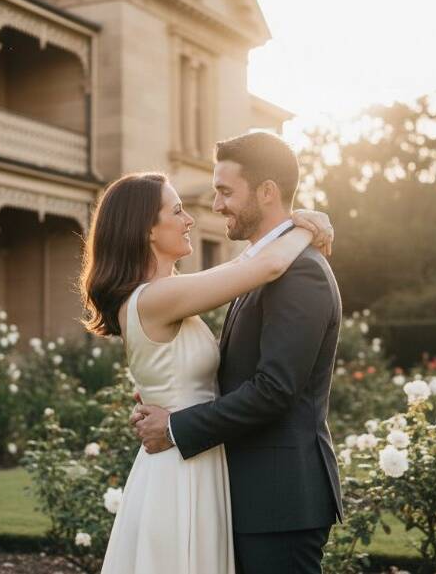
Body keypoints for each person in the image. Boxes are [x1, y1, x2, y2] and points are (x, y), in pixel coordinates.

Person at [78, 162, 333, 574]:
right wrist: (307, 227)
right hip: (179, 470)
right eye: (176, 211)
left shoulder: (165, 294)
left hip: (193, 457)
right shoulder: (157, 297)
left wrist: (163, 400)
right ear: (147, 229)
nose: (191, 218)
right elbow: (260, 268)